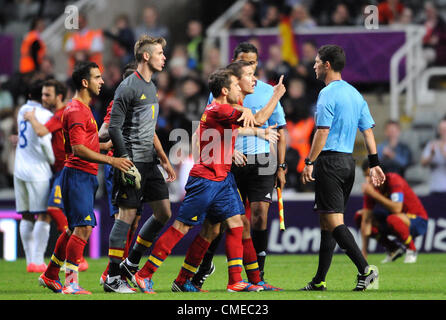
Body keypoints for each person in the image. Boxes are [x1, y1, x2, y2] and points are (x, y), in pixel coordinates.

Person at [128, 68, 263, 294]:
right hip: (206, 179)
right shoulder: (218, 109)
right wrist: (277, 94)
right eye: (235, 85)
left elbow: (238, 121)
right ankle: (143, 274)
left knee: (231, 224)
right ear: (224, 90)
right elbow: (257, 119)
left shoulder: (224, 109)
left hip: (222, 179)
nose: (240, 88)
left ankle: (221, 281)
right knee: (182, 226)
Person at [192, 42, 287, 287]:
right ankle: (192, 273)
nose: (251, 72)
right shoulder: (223, 97)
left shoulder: (257, 91)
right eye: (246, 66)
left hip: (261, 160)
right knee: (219, 224)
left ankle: (253, 278)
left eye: (253, 65)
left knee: (253, 218)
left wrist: (281, 165)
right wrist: (233, 147)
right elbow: (251, 121)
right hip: (225, 164)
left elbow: (275, 128)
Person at [38, 61, 134, 294]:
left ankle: (51, 275)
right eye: (97, 77)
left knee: (74, 229)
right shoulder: (77, 111)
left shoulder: (82, 109)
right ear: (84, 82)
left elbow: (79, 144)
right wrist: (112, 160)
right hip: (78, 174)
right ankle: (70, 283)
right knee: (83, 228)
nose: (102, 82)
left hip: (84, 175)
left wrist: (105, 145)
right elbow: (78, 150)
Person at [300, 44, 386, 291]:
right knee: (328, 223)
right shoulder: (354, 93)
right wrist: (375, 164)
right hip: (349, 163)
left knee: (334, 222)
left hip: (330, 161)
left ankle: (366, 270)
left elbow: (322, 131)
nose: (314, 65)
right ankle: (319, 280)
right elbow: (368, 132)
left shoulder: (327, 93)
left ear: (327, 65)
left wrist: (309, 162)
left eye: (317, 61)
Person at [105, 35, 177, 293]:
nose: (164, 57)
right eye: (160, 53)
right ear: (146, 56)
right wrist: (124, 159)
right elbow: (113, 127)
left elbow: (150, 129)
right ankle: (113, 279)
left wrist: (164, 159)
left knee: (164, 213)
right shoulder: (128, 87)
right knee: (125, 217)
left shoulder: (151, 86)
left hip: (149, 162)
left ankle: (130, 263)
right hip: (132, 160)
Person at [23, 79, 93, 271]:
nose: (43, 98)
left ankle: (77, 258)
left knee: (54, 209)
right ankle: (57, 268)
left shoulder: (61, 114)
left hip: (66, 169)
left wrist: (31, 118)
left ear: (59, 96)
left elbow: (40, 131)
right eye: (43, 94)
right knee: (57, 214)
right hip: (60, 170)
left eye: (48, 95)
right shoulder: (62, 113)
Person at [97, 62, 140, 291]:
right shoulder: (118, 102)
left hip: (137, 165)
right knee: (123, 220)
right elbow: (102, 133)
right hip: (119, 165)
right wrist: (116, 142)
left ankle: (116, 272)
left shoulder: (142, 103)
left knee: (134, 221)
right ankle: (112, 275)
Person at [14, 80, 54, 273]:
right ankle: (37, 261)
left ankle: (30, 260)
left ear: (30, 96)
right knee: (45, 215)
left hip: (19, 168)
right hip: (38, 170)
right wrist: (53, 160)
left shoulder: (22, 110)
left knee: (27, 215)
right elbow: (45, 143)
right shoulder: (45, 115)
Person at [356, 159, 428, 264]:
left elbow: (397, 208)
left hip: (418, 221)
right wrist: (364, 253)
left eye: (370, 175)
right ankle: (393, 249)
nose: (368, 180)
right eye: (366, 176)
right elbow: (366, 219)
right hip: (396, 220)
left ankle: (412, 250)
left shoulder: (394, 180)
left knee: (392, 219)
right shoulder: (372, 189)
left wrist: (374, 194)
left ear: (380, 173)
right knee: (359, 216)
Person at [421, 117, 446, 195]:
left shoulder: (441, 146)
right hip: (435, 187)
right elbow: (423, 163)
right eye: (441, 130)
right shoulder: (432, 144)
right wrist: (431, 155)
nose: (443, 132)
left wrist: (442, 150)